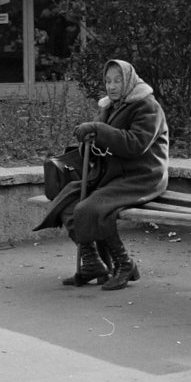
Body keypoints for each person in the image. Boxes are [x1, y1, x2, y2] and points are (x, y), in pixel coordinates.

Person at [36, 59, 169, 291]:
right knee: (66, 201)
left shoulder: (148, 106)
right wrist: (87, 141)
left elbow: (136, 144)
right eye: (108, 81)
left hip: (141, 177)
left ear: (129, 80)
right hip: (112, 175)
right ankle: (92, 263)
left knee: (91, 209)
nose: (112, 86)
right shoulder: (109, 106)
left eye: (118, 80)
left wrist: (98, 130)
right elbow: (96, 144)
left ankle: (124, 264)